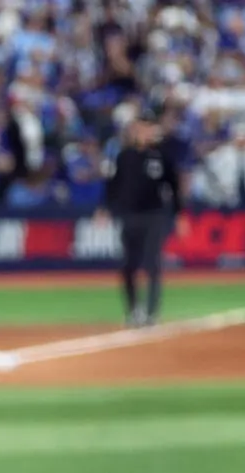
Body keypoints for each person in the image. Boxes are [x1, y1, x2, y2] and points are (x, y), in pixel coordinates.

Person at [97, 106, 188, 327]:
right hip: (129, 215)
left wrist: (179, 214)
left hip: (154, 215)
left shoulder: (161, 156)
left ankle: (151, 312)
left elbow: (173, 187)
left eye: (147, 128)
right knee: (128, 265)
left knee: (152, 263)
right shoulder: (124, 156)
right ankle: (133, 310)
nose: (142, 132)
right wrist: (104, 208)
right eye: (139, 128)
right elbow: (113, 185)